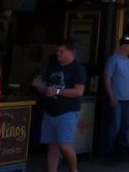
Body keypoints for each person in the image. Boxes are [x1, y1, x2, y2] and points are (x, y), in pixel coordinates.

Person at [30, 41, 86, 172]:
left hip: (67, 111)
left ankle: (74, 169)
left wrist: (58, 91)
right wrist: (39, 86)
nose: (58, 54)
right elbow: (46, 88)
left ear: (70, 52)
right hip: (49, 111)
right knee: (52, 146)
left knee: (64, 144)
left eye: (61, 51)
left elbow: (79, 91)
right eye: (57, 51)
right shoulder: (53, 67)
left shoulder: (77, 68)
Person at [103, 36, 129, 163]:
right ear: (124, 46)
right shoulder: (113, 60)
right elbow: (107, 78)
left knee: (125, 126)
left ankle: (122, 153)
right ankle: (108, 155)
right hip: (116, 100)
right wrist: (111, 97)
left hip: (127, 100)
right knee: (114, 127)